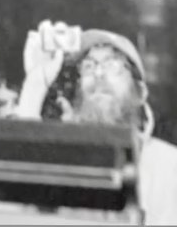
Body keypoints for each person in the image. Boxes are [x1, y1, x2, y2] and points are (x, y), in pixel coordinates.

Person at [17, 20, 177, 227]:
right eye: (89, 66)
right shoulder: (62, 160)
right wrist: (35, 83)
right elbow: (19, 201)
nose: (98, 74)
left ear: (140, 92)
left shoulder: (168, 166)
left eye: (113, 65)